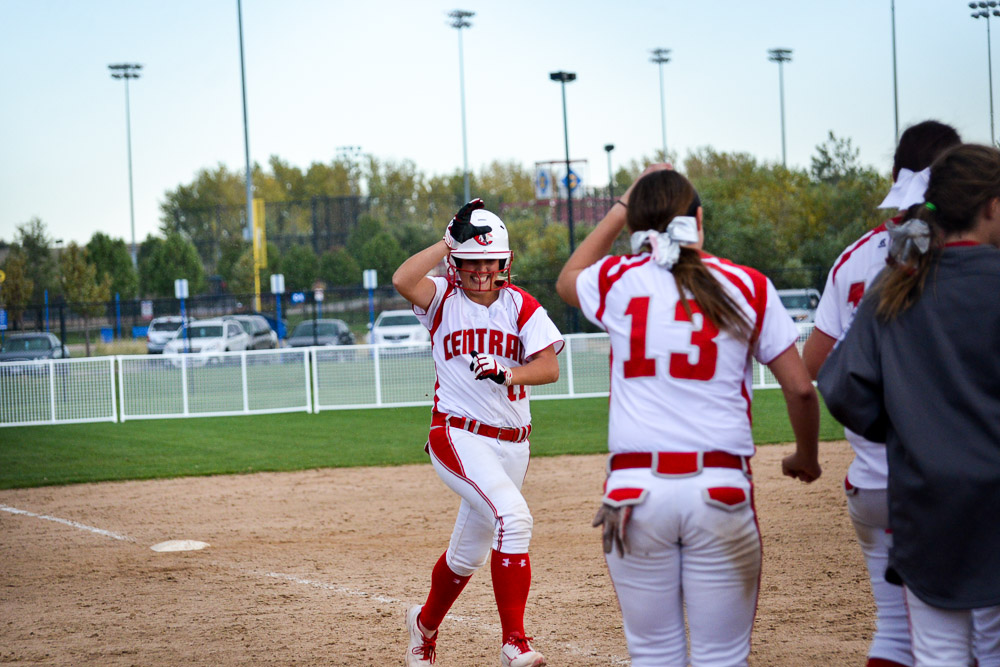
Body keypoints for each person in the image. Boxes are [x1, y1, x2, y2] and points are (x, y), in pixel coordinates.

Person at [555, 165, 821, 666]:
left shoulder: (617, 280)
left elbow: (568, 279)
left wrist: (621, 206)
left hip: (634, 494)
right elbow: (802, 390)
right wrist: (806, 457)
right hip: (720, 489)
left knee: (654, 654)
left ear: (635, 223)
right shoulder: (747, 284)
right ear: (698, 221)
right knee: (722, 657)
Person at [818, 144, 1000, 666]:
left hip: (925, 501)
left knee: (938, 651)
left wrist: (905, 427)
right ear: (991, 206)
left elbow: (840, 387)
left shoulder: (898, 282)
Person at [392, 199, 563, 667]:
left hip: (513, 445)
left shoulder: (521, 305)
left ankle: (423, 626)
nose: (482, 271)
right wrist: (447, 241)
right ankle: (515, 643)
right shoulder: (441, 298)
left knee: (467, 554)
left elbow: (549, 368)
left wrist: (509, 373)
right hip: (457, 433)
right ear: (456, 263)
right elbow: (403, 280)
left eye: (490, 261)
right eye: (471, 261)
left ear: (505, 262)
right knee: (515, 518)